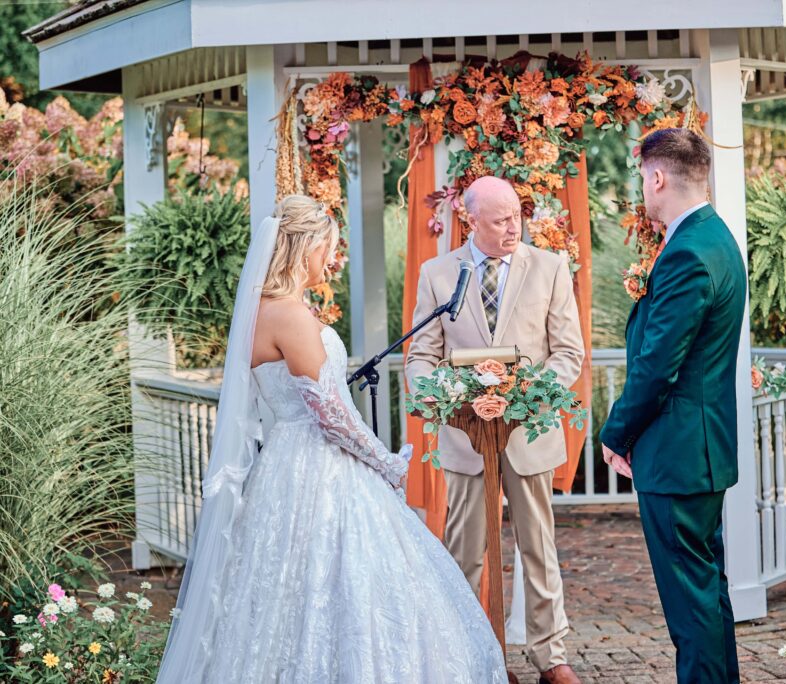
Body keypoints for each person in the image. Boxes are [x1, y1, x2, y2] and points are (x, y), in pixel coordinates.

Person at [156, 195, 506, 683]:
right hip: (320, 466)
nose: (332, 259)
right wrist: (385, 462)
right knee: (347, 585)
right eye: (328, 247)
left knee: (280, 597)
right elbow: (333, 417)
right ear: (306, 248)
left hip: (280, 464)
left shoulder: (259, 310)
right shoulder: (291, 317)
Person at [405, 176, 585, 684]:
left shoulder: (549, 268)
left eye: (517, 216)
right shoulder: (438, 274)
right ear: (470, 220)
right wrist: (446, 401)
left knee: (538, 548)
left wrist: (523, 401)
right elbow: (421, 357)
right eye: (502, 219)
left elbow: (568, 352)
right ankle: (467, 653)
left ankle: (550, 655)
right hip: (466, 437)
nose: (514, 227)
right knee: (465, 550)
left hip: (527, 434)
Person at [600, 128, 745, 683]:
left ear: (657, 177)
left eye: (642, 180)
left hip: (680, 454)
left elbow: (659, 364)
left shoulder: (687, 252)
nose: (644, 190)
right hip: (700, 451)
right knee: (706, 594)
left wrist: (616, 434)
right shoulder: (715, 237)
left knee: (690, 607)